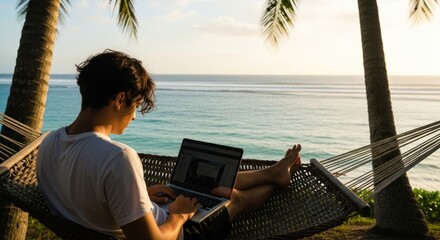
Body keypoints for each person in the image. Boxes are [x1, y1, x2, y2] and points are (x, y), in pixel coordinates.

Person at [36, 49, 302, 240]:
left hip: (121, 219)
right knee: (233, 198)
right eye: (136, 106)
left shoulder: (48, 143)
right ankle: (275, 181)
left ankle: (272, 172)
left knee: (199, 188)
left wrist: (140, 196)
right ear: (119, 99)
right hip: (178, 232)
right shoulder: (117, 157)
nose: (133, 117)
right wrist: (180, 215)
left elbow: (85, 192)